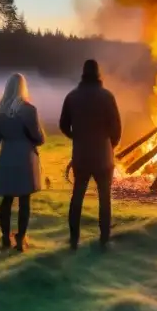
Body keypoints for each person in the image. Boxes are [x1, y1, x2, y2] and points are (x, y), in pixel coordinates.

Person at [59, 59, 122, 250]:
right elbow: (116, 128)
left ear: (83, 74)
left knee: (77, 196)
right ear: (98, 74)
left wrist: (76, 137)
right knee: (104, 198)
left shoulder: (72, 96)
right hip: (103, 157)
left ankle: (74, 238)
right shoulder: (107, 96)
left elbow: (63, 125)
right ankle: (104, 238)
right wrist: (109, 145)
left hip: (81, 156)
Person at [0, 72, 45, 251]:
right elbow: (39, 138)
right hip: (24, 157)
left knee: (7, 199)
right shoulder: (29, 110)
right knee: (24, 200)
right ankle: (21, 239)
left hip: (6, 156)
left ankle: (5, 237)